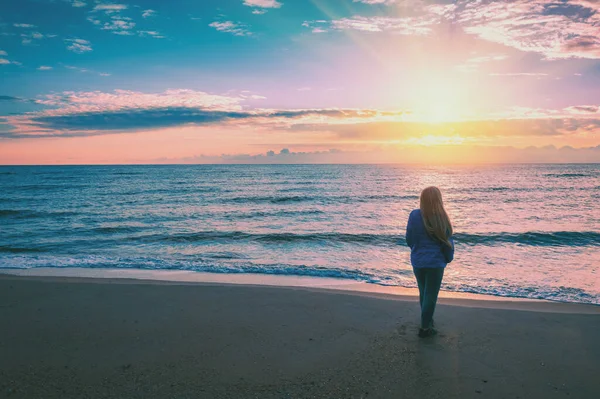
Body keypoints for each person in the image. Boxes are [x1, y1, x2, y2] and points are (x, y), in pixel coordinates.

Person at [406, 186, 454, 338]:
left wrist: (416, 248)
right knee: (430, 296)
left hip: (418, 261)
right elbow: (448, 244)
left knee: (424, 292)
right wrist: (448, 258)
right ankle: (425, 328)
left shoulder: (414, 215)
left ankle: (427, 320)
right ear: (439, 200)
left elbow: (409, 239)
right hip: (435, 264)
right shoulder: (442, 218)